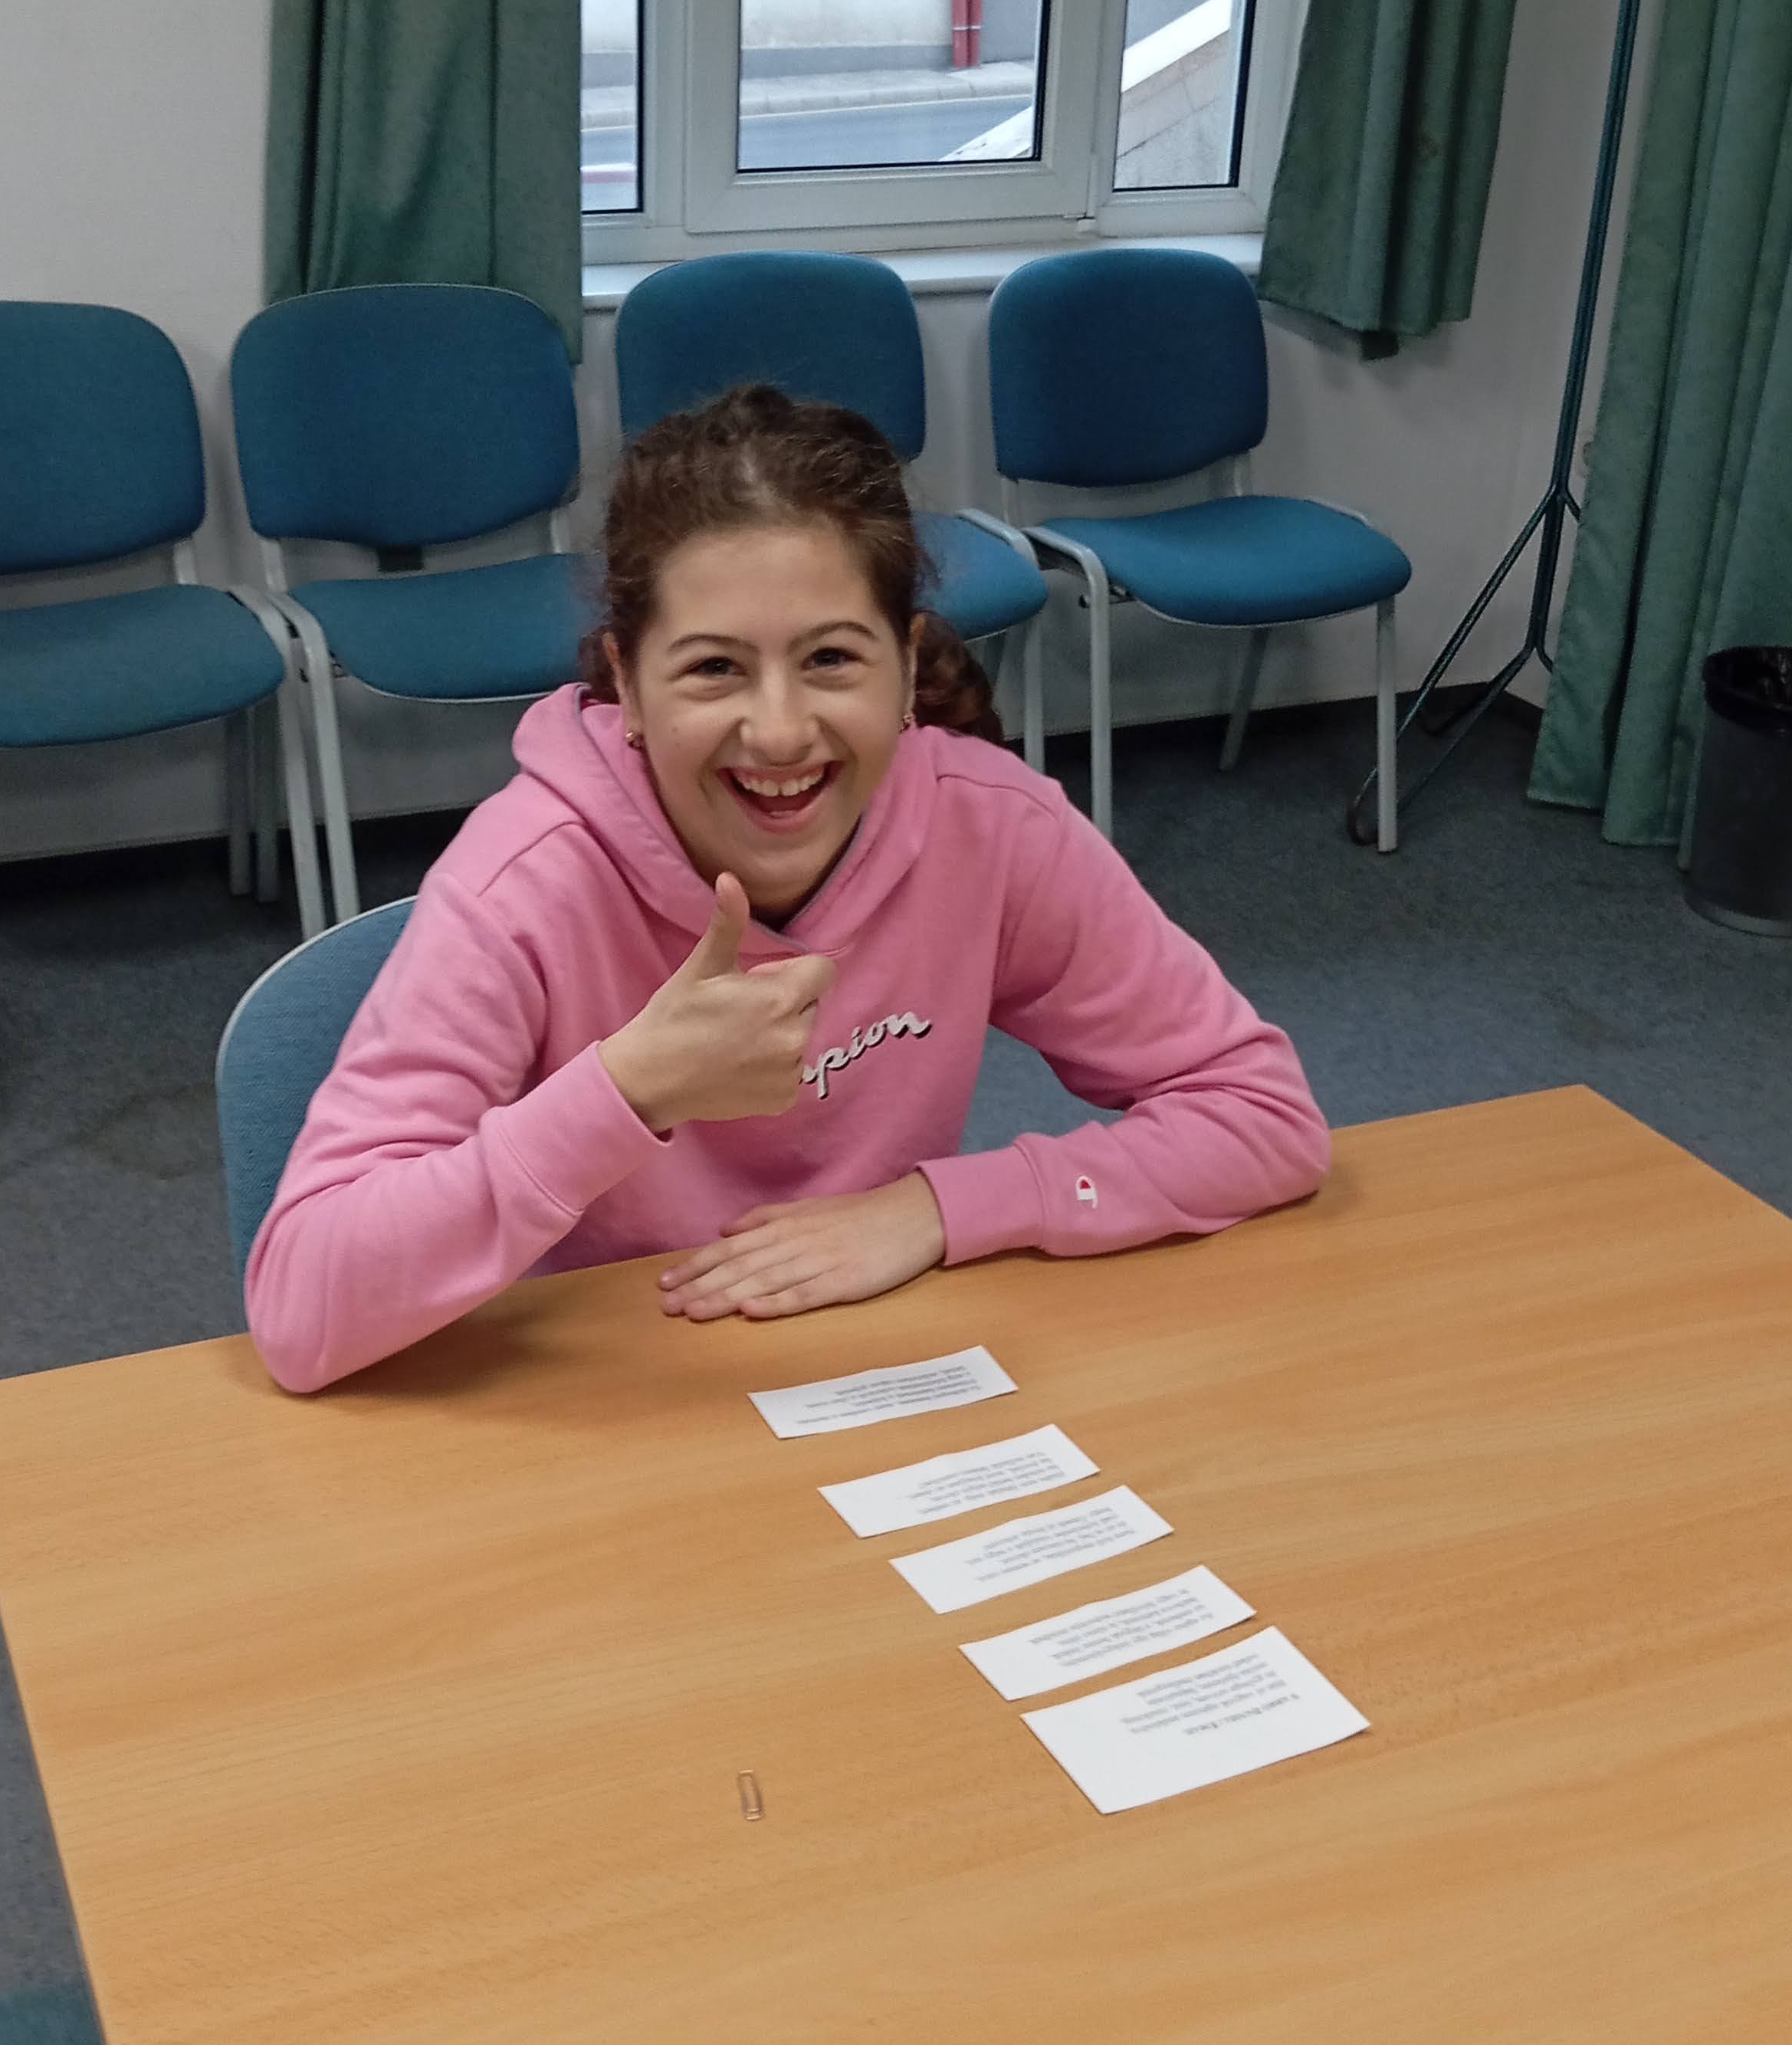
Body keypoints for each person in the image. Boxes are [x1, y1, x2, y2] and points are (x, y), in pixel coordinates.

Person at [247, 384, 1329, 1393]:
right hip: (616, 1387)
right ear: (627, 682)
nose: (777, 732)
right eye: (714, 668)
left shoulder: (994, 828)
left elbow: (1263, 1118)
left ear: (905, 666)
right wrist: (627, 1091)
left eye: (832, 660)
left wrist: (938, 1210)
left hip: (879, 1357)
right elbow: (302, 1304)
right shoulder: (523, 883)